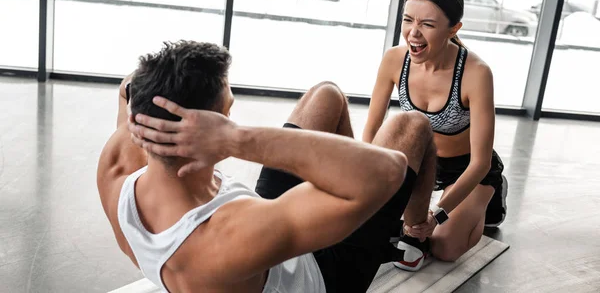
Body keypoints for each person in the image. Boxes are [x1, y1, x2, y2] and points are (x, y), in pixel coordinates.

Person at [97, 40, 438, 293]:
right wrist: (236, 139)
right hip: (326, 277)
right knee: (412, 126)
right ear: (207, 130)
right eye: (228, 112)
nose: (232, 118)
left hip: (270, 234)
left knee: (326, 94)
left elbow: (129, 87)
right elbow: (387, 170)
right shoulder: (226, 235)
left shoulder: (116, 170)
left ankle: (363, 207)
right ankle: (414, 235)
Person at [363, 0, 508, 270]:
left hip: (465, 170)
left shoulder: (476, 73)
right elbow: (371, 133)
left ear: (453, 29)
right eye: (407, 20)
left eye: (427, 24)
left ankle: (490, 198)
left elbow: (479, 162)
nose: (413, 33)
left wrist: (437, 215)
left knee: (444, 247)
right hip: (416, 163)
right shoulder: (394, 59)